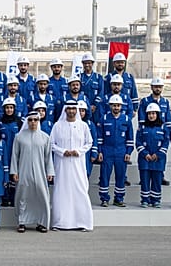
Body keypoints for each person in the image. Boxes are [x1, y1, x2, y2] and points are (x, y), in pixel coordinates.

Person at [49, 100, 94, 231]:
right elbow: (51, 144)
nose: (71, 111)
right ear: (65, 110)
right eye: (69, 109)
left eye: (73, 109)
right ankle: (59, 223)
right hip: (61, 164)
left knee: (80, 190)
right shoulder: (57, 126)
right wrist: (63, 151)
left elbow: (89, 143)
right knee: (61, 191)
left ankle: (83, 222)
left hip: (78, 164)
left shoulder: (83, 126)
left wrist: (78, 151)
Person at [10, 112, 54, 233]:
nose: (33, 122)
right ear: (27, 121)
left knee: (41, 196)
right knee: (23, 196)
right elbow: (15, 155)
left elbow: (48, 157)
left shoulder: (45, 137)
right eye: (30, 120)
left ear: (38, 121)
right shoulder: (19, 137)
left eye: (35, 120)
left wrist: (50, 172)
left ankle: (42, 222)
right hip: (24, 171)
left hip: (40, 172)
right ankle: (22, 222)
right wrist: (14, 171)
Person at [96, 94, 134, 207]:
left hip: (121, 152)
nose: (116, 107)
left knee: (121, 176)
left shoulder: (126, 120)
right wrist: (100, 151)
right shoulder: (104, 119)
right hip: (107, 151)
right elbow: (99, 137)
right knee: (104, 176)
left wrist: (128, 152)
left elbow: (130, 138)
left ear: (121, 106)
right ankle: (104, 199)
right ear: (110, 106)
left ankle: (119, 198)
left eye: (118, 105)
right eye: (114, 105)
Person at [138, 77, 171, 186]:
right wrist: (143, 130)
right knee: (146, 157)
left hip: (161, 132)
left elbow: (168, 119)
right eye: (156, 87)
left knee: (160, 157)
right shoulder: (145, 101)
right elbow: (142, 118)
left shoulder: (165, 102)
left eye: (160, 87)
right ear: (151, 87)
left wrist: (167, 133)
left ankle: (160, 177)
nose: (158, 89)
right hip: (147, 131)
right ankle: (144, 178)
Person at [136, 103, 168, 208]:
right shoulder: (142, 127)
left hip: (158, 159)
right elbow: (138, 142)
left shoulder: (163, 127)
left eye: (153, 113)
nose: (151, 116)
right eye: (149, 113)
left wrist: (158, 154)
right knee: (145, 180)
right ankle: (145, 200)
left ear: (157, 114)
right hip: (144, 159)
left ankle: (156, 200)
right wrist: (145, 153)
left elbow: (166, 142)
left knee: (157, 180)